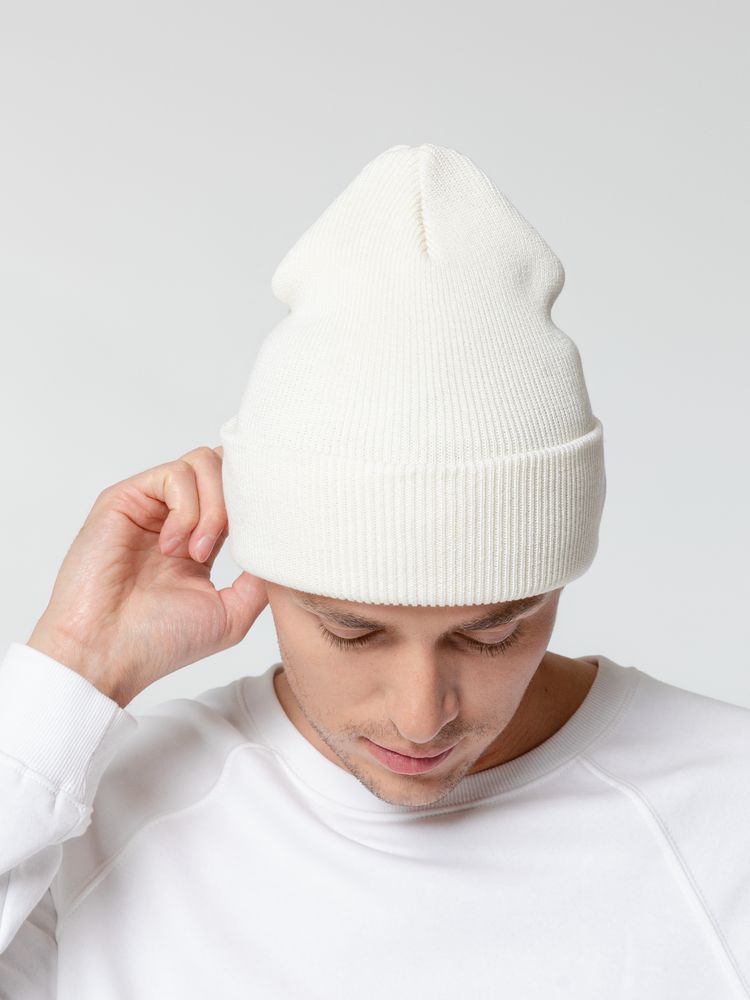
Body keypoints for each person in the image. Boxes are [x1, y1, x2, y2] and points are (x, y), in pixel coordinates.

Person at [1, 143, 748, 999]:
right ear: (261, 568)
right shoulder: (90, 817)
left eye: (492, 631)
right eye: (352, 631)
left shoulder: (728, 812)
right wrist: (72, 665)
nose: (421, 716)